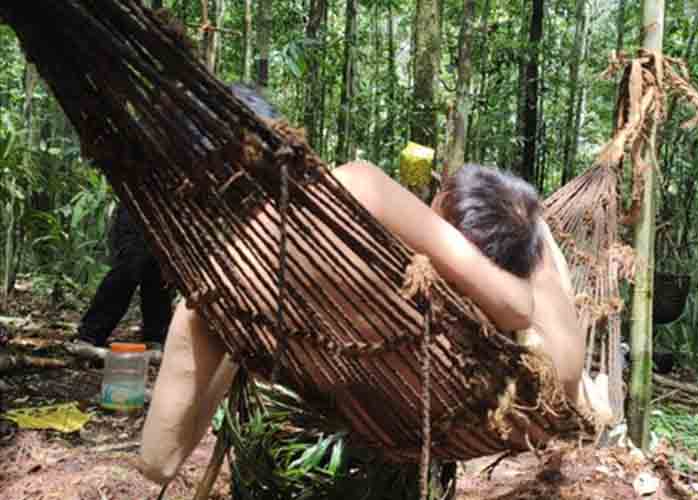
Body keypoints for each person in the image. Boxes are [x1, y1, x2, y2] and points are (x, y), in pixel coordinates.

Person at [138, 85, 602, 485]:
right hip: (491, 410)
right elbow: (515, 309)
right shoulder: (359, 190)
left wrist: (233, 337)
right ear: (286, 143)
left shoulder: (214, 297)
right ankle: (595, 398)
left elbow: (159, 463)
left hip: (383, 411)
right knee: (530, 227)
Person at [75, 203, 173, 348]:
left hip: (168, 208)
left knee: (158, 266)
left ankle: (156, 337)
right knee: (129, 264)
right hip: (137, 202)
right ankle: (90, 334)